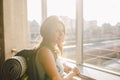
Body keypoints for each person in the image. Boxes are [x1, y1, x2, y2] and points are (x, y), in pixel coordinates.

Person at [35, 15, 80, 80]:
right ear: (47, 32)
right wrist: (72, 73)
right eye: (57, 30)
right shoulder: (45, 51)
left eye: (62, 31)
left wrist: (63, 66)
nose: (61, 34)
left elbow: (51, 65)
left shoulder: (50, 50)